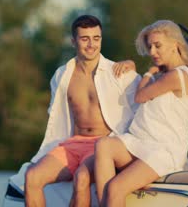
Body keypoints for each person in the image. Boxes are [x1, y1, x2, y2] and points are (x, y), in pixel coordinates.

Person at [24, 15, 140, 207]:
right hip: (72, 145)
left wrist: (136, 68)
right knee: (32, 176)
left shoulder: (118, 72)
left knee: (82, 179)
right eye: (84, 39)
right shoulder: (62, 75)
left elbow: (147, 97)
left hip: (102, 146)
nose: (91, 45)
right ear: (73, 41)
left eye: (96, 38)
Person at [94, 20, 188, 206]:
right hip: (141, 142)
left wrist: (149, 72)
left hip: (163, 150)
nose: (152, 52)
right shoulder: (164, 74)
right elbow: (138, 89)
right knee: (104, 145)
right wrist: (132, 66)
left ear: (175, 45)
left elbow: (140, 96)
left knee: (116, 188)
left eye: (158, 46)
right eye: (150, 47)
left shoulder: (177, 75)